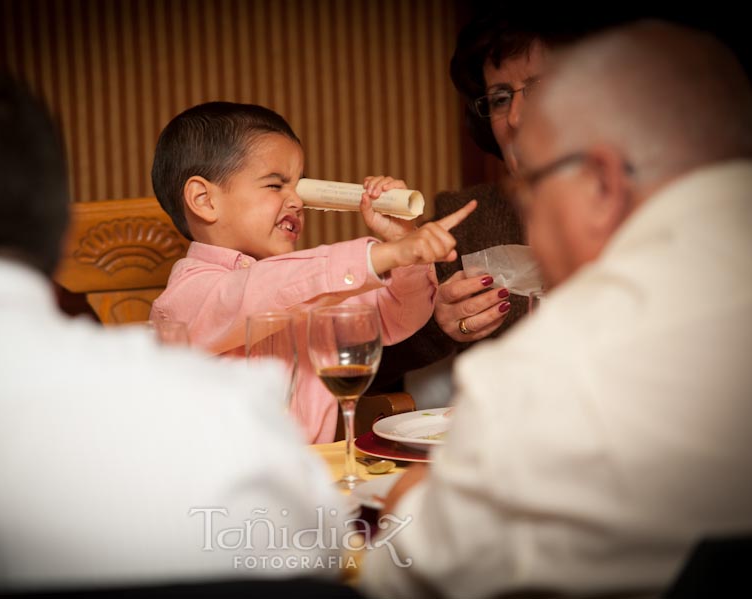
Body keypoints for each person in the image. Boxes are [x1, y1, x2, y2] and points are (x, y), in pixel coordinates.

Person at [0, 68, 350, 592]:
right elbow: (322, 553)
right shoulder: (229, 411)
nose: (294, 200)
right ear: (61, 234)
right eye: (277, 184)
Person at [360, 20, 752, 598]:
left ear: (601, 182)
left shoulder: (547, 373)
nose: (516, 120)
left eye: (535, 189)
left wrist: (405, 501)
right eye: (499, 99)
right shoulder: (456, 216)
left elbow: (406, 573)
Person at [150, 101, 475, 443]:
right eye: (276, 186)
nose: (297, 201)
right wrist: (381, 255)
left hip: (312, 478)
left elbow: (398, 314)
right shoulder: (184, 299)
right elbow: (257, 292)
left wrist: (404, 250)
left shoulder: (311, 289)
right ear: (204, 199)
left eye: (300, 187)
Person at [370, 7, 591, 395]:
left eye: (538, 88)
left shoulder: (660, 209)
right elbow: (363, 364)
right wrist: (437, 328)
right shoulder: (465, 221)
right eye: (501, 98)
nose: (516, 118)